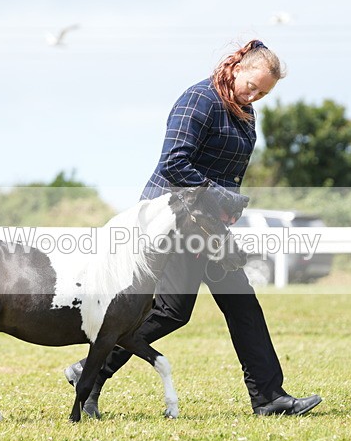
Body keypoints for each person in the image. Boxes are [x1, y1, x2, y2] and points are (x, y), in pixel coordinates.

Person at [65, 39, 322, 417]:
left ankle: (269, 397)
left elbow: (227, 170)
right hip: (173, 217)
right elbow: (174, 162)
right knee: (172, 310)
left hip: (208, 221)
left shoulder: (243, 111)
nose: (255, 96)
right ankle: (88, 371)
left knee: (241, 303)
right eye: (252, 86)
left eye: (264, 93)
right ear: (236, 68)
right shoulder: (198, 100)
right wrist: (220, 198)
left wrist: (227, 207)